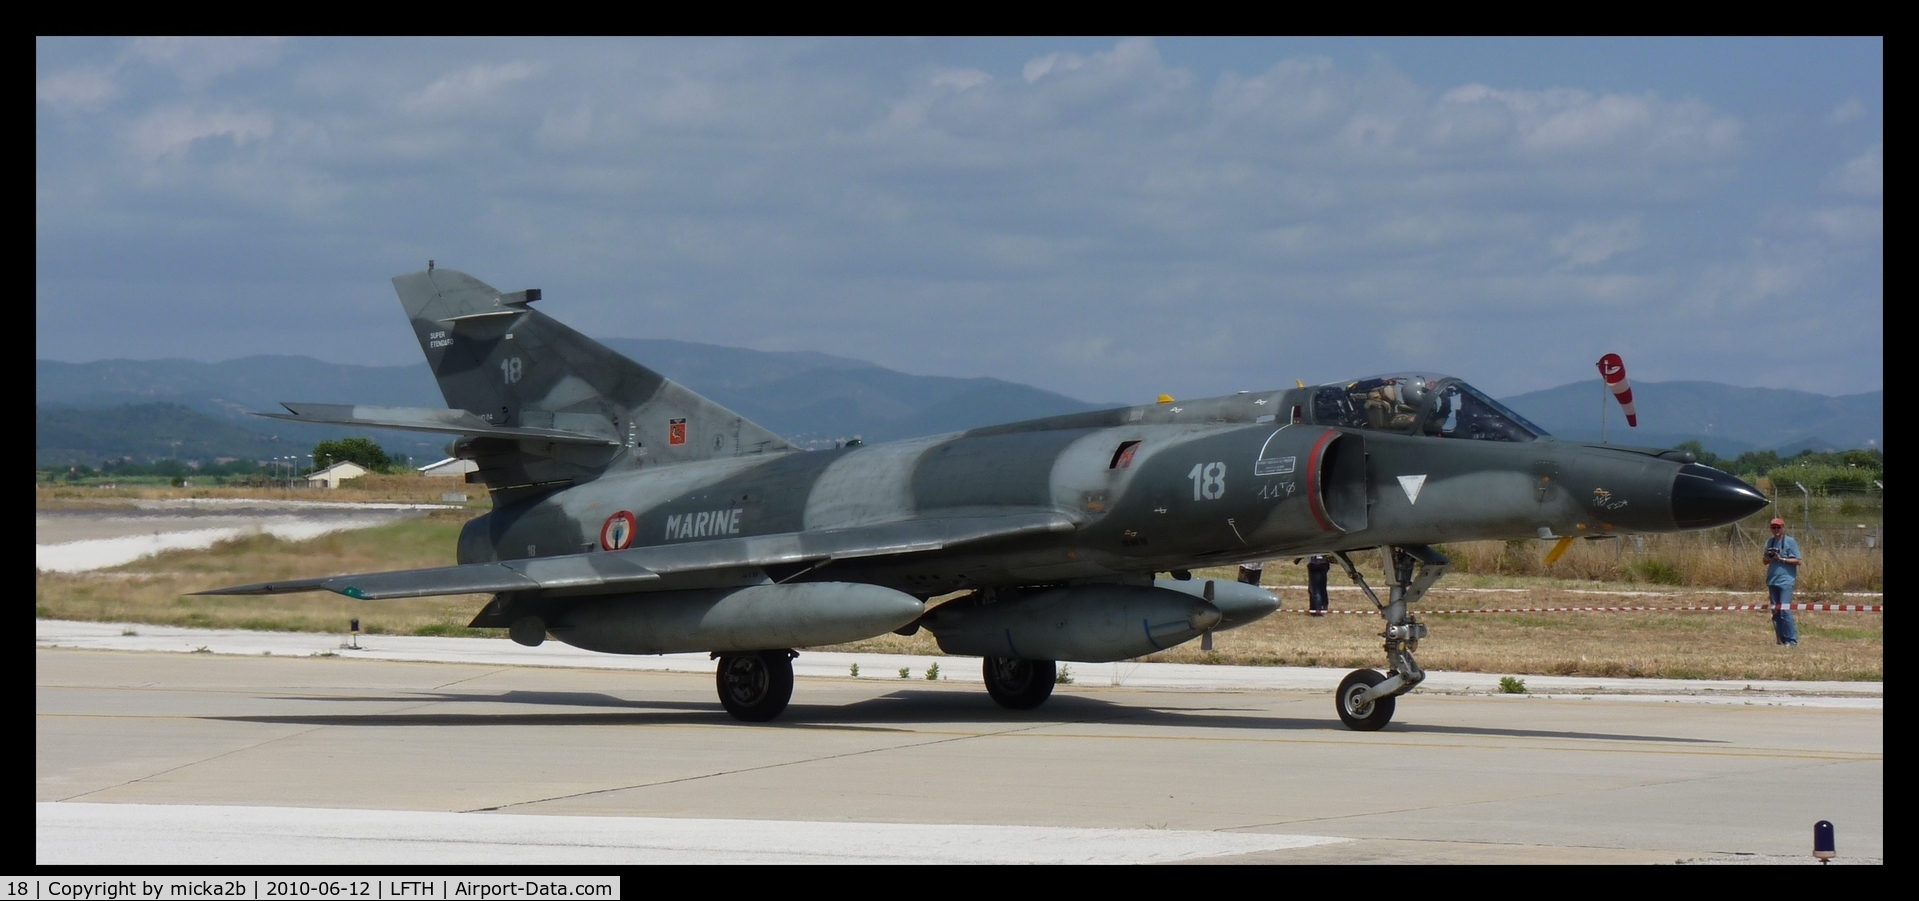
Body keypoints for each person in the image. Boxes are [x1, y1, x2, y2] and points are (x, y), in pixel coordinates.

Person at [1762, 517, 1801, 646]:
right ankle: (1781, 639)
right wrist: (1770, 558)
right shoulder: (1769, 542)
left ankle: (1791, 640)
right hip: (1772, 580)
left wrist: (1782, 559)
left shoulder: (1790, 542)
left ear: (1783, 528)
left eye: (1778, 527)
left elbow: (1798, 561)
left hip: (1786, 581)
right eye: (1774, 527)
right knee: (1775, 612)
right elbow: (1764, 561)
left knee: (1785, 610)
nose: (1776, 530)